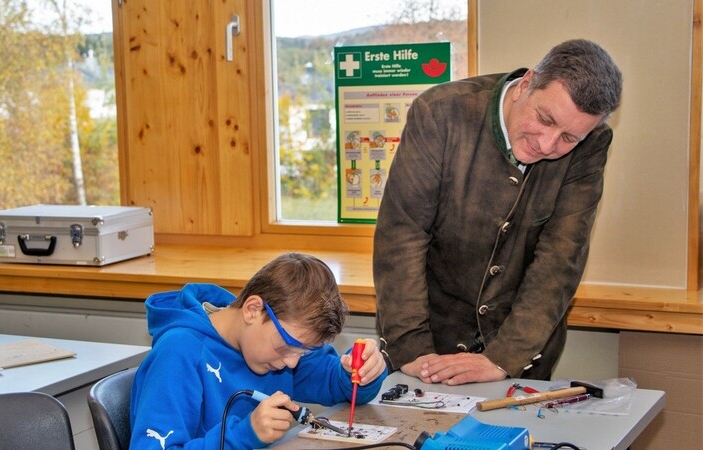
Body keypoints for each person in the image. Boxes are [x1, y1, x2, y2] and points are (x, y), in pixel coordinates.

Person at [374, 39, 623, 386]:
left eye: (568, 137)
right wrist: (412, 348)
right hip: (430, 343)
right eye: (545, 119)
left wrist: (503, 357)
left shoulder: (592, 144)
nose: (548, 145)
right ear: (526, 85)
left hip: (520, 354)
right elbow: (402, 234)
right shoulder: (440, 113)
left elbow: (560, 258)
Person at [130, 252, 388, 449]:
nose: (291, 363)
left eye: (304, 352)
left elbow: (338, 384)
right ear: (253, 310)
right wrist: (243, 436)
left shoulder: (281, 351)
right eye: (287, 347)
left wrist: (362, 373)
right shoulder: (179, 354)